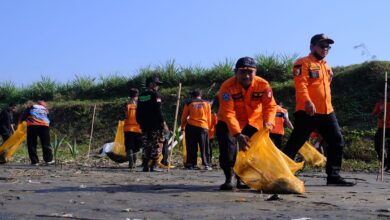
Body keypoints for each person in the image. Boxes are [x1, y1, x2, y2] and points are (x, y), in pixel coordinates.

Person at [283, 34, 355, 186]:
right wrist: (307, 101)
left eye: (328, 46)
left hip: (327, 111)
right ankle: (281, 174)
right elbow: (300, 85)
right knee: (295, 143)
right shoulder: (302, 63)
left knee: (337, 141)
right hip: (307, 111)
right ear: (312, 46)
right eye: (322, 46)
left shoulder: (327, 67)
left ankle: (333, 176)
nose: (325, 49)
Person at [216, 56, 277, 190]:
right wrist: (237, 134)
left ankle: (242, 178)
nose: (247, 75)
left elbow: (270, 106)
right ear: (235, 72)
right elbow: (228, 113)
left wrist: (269, 123)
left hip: (253, 121)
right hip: (227, 121)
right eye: (243, 72)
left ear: (255, 72)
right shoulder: (227, 87)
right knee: (227, 149)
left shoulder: (263, 85)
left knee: (249, 152)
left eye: (250, 72)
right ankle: (229, 177)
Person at [136, 75, 168, 172]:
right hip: (155, 125)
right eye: (157, 84)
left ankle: (145, 165)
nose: (158, 86)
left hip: (144, 126)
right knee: (155, 144)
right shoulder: (156, 95)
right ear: (151, 84)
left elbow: (138, 112)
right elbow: (158, 111)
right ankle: (154, 165)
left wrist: (140, 123)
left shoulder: (141, 96)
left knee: (146, 145)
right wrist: (163, 123)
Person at [180, 89, 212, 170]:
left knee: (191, 147)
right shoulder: (207, 103)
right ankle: (207, 164)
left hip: (191, 127)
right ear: (200, 95)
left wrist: (182, 127)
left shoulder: (189, 103)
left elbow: (184, 117)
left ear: (192, 95)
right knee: (204, 147)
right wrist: (208, 127)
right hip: (203, 127)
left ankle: (191, 164)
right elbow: (209, 117)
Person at [20, 100, 54, 166]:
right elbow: (49, 119)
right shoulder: (45, 109)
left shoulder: (31, 107)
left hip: (32, 125)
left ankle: (35, 162)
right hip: (44, 126)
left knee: (32, 144)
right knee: (46, 143)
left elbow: (24, 117)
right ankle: (49, 160)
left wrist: (21, 122)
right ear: (43, 105)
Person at [121, 88, 142, 169]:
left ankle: (131, 163)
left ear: (130, 96)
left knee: (129, 146)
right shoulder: (140, 105)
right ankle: (134, 162)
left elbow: (123, 117)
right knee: (136, 147)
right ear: (137, 96)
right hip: (138, 129)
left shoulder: (127, 104)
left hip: (128, 129)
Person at [372, 98, 390, 172]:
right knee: (377, 145)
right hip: (381, 127)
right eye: (388, 92)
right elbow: (373, 114)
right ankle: (385, 162)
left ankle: (389, 166)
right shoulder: (380, 103)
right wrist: (379, 114)